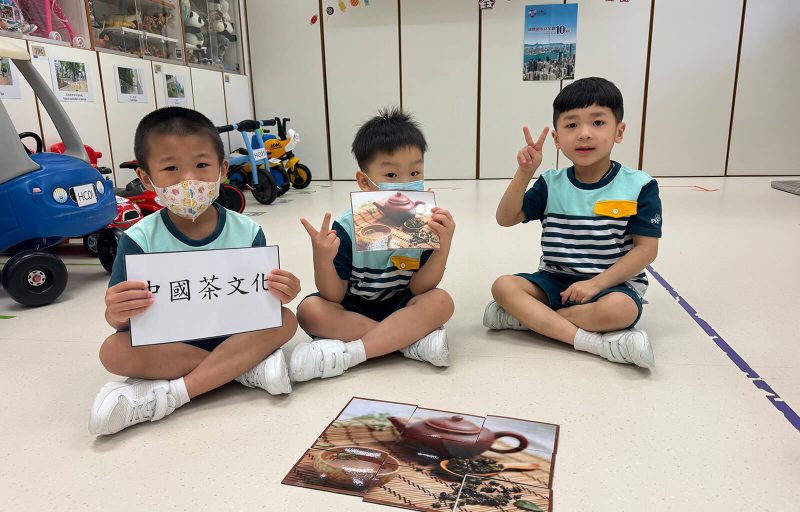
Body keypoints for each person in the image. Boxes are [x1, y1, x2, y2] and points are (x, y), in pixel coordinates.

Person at [89, 107, 300, 435]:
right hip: (172, 342)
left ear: (222, 169)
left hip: (234, 334)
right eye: (170, 168)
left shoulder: (247, 231)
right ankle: (243, 369)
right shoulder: (139, 239)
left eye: (202, 165)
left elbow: (263, 304)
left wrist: (281, 291)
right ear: (146, 178)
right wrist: (116, 312)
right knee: (113, 350)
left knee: (286, 319)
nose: (189, 180)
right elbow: (119, 321)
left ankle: (173, 393)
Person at [484, 77, 662, 368]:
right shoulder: (551, 183)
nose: (584, 134)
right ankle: (596, 344)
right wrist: (524, 173)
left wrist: (595, 284)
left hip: (610, 284)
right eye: (571, 125)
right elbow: (506, 218)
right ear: (557, 139)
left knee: (621, 310)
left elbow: (646, 249)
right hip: (554, 280)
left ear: (619, 131)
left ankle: (532, 320)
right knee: (503, 286)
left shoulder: (639, 186)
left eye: (598, 123)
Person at [291, 108, 455, 382]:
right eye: (391, 174)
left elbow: (420, 288)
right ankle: (407, 341)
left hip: (401, 305)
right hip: (354, 309)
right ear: (364, 182)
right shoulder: (346, 228)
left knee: (441, 301)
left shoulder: (426, 223)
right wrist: (322, 258)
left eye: (415, 172)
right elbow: (333, 295)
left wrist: (443, 246)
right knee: (309, 312)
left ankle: (353, 352)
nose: (405, 183)